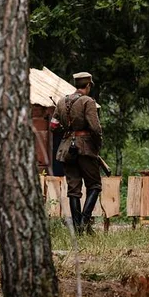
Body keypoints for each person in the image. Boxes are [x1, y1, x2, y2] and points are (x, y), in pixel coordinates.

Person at [52, 71, 103, 234]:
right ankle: (83, 222)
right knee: (94, 185)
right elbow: (95, 128)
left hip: (67, 149)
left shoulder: (61, 101)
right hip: (85, 148)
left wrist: (67, 129)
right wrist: (97, 145)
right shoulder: (88, 101)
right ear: (88, 85)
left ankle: (78, 229)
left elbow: (53, 126)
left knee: (73, 189)